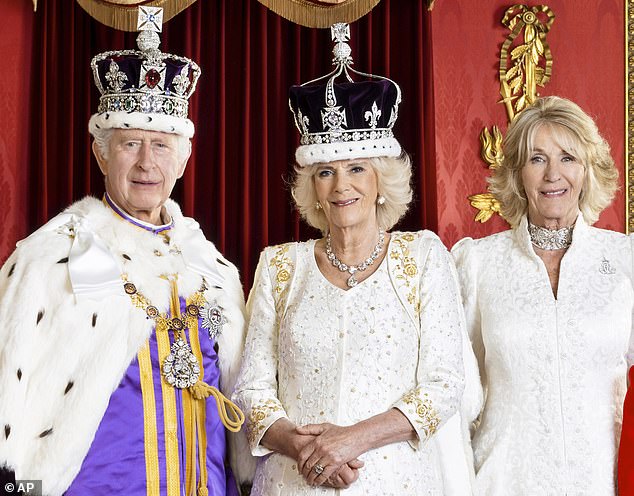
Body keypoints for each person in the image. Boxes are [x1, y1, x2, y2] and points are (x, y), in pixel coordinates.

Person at [0, 7, 252, 496]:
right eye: (129, 143)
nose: (145, 162)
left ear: (183, 157)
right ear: (100, 152)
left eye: (161, 145)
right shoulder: (51, 258)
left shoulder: (213, 268)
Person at [233, 23, 475, 495]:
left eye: (357, 168)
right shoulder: (279, 267)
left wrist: (349, 441)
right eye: (326, 172)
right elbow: (252, 394)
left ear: (381, 179)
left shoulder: (423, 256)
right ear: (313, 188)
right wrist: (305, 448)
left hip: (396, 483)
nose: (342, 186)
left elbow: (445, 385)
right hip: (292, 482)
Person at [452, 95, 633, 495]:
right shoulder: (476, 264)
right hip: (501, 484)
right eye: (537, 159)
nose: (553, 174)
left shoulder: (626, 261)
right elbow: (455, 395)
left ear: (587, 170)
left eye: (568, 158)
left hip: (602, 483)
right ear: (517, 174)